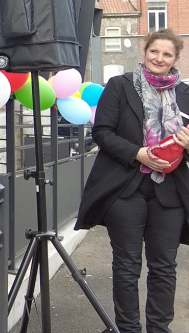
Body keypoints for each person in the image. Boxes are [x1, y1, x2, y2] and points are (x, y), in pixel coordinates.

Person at [76, 28, 189, 333]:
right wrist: (138, 153)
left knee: (164, 268)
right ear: (145, 51)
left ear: (175, 58)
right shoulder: (120, 86)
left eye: (167, 54)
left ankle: (158, 329)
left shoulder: (185, 94)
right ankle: (128, 329)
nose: (159, 58)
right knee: (127, 267)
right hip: (126, 189)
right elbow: (102, 132)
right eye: (155, 51)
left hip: (171, 193)